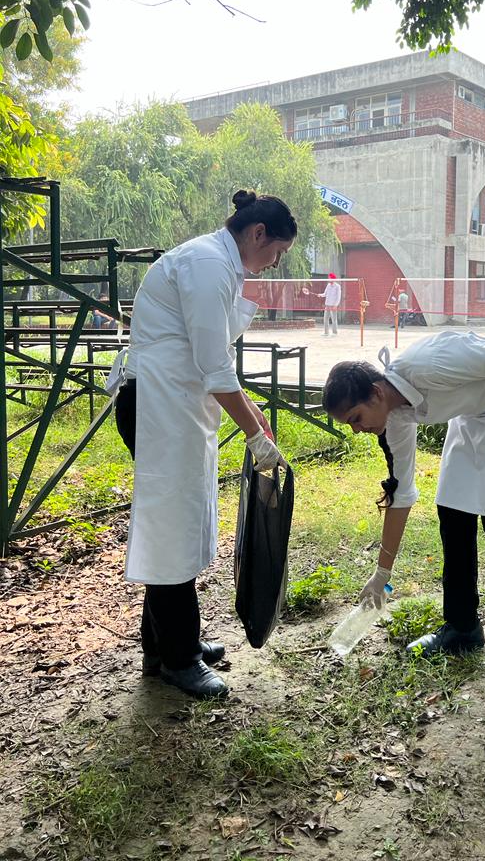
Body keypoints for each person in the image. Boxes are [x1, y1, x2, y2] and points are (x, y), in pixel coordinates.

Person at [108, 191, 296, 699]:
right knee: (173, 532)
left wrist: (253, 417)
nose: (272, 264)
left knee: (185, 525)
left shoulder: (219, 264)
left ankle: (166, 643)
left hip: (176, 409)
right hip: (158, 409)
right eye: (276, 253)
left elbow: (215, 366)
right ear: (258, 233)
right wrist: (255, 434)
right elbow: (216, 368)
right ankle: (178, 658)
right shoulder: (209, 264)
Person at [322, 330, 485, 664]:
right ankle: (462, 627)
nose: (357, 430)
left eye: (355, 418)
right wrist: (381, 574)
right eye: (349, 425)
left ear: (375, 393)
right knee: (453, 508)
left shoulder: (431, 363)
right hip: (476, 412)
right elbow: (401, 494)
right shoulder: (394, 417)